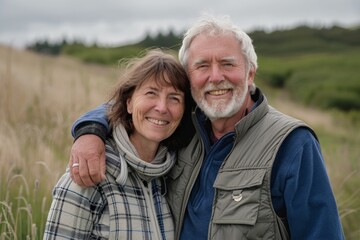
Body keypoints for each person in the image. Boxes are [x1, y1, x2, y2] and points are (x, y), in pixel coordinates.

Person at [68, 15, 345, 239]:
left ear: (250, 73)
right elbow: (138, 105)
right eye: (202, 66)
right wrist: (90, 130)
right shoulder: (180, 128)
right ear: (189, 79)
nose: (215, 77)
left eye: (227, 64)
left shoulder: (293, 145)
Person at [44, 49, 194, 239]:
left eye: (174, 98)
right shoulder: (90, 171)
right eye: (151, 93)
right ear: (129, 103)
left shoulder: (171, 175)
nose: (162, 107)